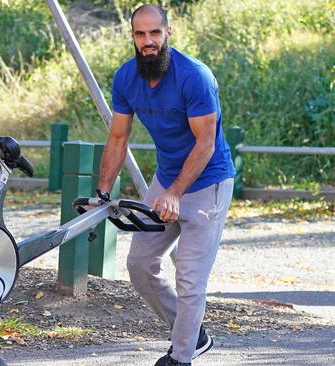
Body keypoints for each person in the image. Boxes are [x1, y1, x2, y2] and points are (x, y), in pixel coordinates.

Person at [95, 4, 236, 366]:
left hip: (208, 182)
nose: (148, 41)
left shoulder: (195, 77)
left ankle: (182, 356)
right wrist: (102, 192)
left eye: (155, 33)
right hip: (166, 178)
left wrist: (176, 192)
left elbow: (204, 143)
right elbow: (117, 138)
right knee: (140, 264)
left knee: (190, 280)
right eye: (140, 35)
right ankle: (193, 333)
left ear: (168, 33)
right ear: (132, 38)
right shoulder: (126, 78)